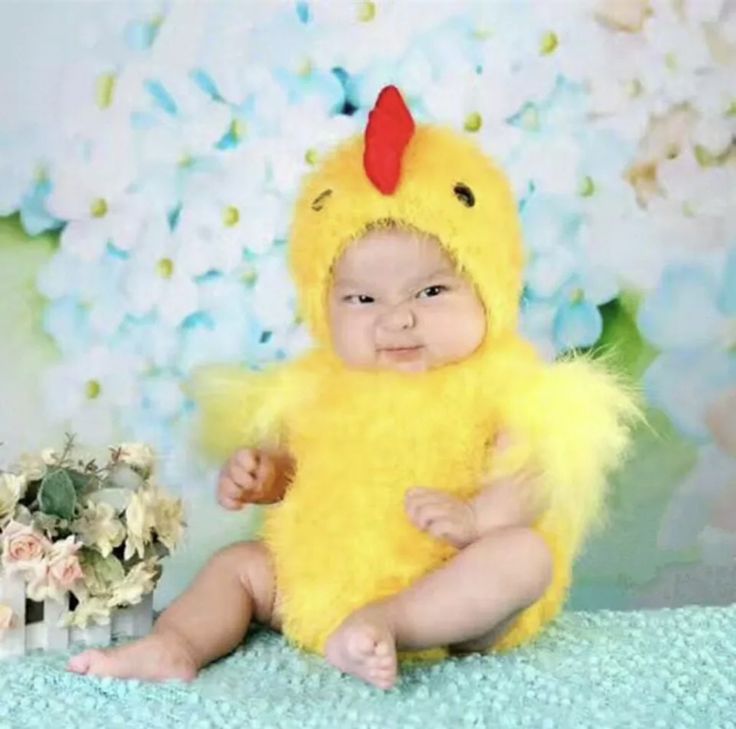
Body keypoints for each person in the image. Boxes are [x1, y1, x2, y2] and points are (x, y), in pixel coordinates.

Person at [68, 86, 638, 690]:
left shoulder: (506, 386)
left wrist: (474, 519)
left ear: (491, 289)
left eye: (431, 292)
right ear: (323, 307)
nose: (397, 319)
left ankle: (389, 622)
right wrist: (269, 475)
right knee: (240, 567)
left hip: (447, 589)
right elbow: (308, 474)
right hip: (322, 582)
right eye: (363, 299)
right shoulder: (319, 385)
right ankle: (175, 644)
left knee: (524, 558)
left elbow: (530, 483)